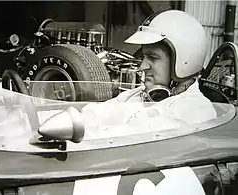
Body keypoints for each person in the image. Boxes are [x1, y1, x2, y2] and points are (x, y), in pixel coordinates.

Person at [81, 10, 217, 140]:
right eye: (144, 57)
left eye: (153, 57)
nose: (142, 66)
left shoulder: (196, 112)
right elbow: (94, 114)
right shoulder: (139, 95)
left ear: (184, 62)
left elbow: (130, 137)